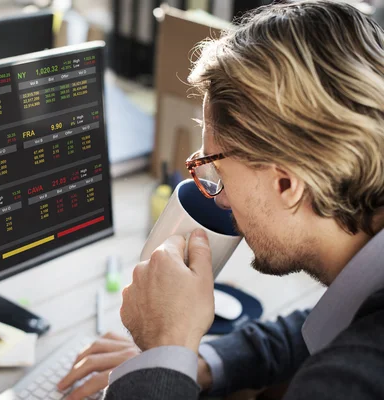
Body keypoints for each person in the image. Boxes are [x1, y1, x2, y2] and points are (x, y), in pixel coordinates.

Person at [57, 0, 384, 398]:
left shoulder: (352, 382)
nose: (221, 199)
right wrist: (195, 362)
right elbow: (323, 327)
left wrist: (165, 347)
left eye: (217, 170)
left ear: (287, 185)